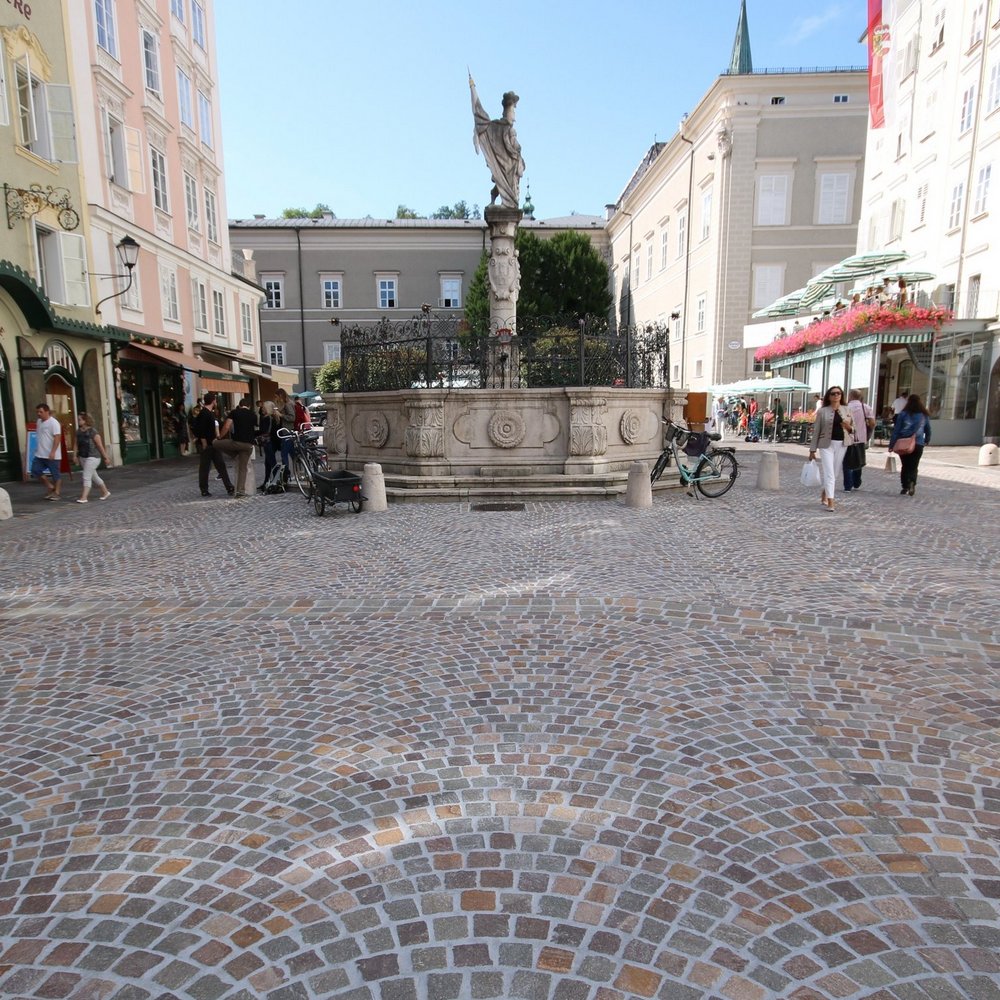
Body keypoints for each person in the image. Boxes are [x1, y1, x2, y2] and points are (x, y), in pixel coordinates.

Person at [470, 76, 525, 208]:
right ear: (508, 110)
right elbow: (510, 145)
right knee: (506, 176)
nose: (514, 115)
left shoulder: (504, 127)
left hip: (510, 165)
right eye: (513, 110)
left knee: (506, 177)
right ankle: (503, 199)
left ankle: (499, 199)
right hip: (509, 165)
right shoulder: (502, 128)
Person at [808, 386, 854, 512]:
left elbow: (853, 430)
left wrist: (848, 427)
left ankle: (825, 492)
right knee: (829, 472)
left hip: (842, 443)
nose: (836, 396)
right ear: (829, 396)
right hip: (826, 444)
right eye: (833, 394)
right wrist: (812, 450)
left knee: (835, 473)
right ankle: (831, 502)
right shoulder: (823, 411)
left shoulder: (847, 410)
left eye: (838, 393)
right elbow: (816, 431)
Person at [890, 393, 932, 496]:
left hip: (903, 443)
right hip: (918, 444)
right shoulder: (923, 416)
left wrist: (892, 444)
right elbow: (928, 429)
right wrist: (927, 439)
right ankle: (912, 482)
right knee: (914, 465)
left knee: (905, 465)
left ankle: (905, 486)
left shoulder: (903, 414)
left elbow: (897, 430)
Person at [193, 392, 234, 497]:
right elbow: (201, 430)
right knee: (205, 467)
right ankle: (204, 489)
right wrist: (204, 443)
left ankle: (229, 487)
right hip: (208, 444)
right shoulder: (204, 413)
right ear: (212, 401)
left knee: (220, 465)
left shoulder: (208, 413)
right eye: (215, 400)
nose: (216, 402)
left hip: (214, 443)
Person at [214, 396, 256, 497]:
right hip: (249, 445)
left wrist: (219, 437)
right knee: (243, 468)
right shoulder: (253, 415)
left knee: (215, 444)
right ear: (249, 406)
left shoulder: (234, 412)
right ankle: (240, 491)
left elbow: (227, 426)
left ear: (240, 405)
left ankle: (234, 455)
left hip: (237, 443)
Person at [73, 412, 111, 503]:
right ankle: (105, 492)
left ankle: (84, 497)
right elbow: (75, 444)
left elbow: (100, 446)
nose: (78, 421)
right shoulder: (78, 432)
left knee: (86, 476)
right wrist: (75, 456)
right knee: (94, 476)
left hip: (93, 457)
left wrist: (106, 457)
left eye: (80, 419)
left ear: (85, 420)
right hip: (83, 457)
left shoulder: (93, 432)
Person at [842, 389, 874, 493]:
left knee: (846, 461)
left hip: (847, 437)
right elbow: (872, 423)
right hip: (860, 437)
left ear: (850, 396)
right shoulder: (866, 408)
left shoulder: (845, 407)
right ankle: (856, 482)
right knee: (858, 459)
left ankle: (848, 486)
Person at [31, 403, 63, 501]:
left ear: (47, 412)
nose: (38, 414)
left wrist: (53, 451)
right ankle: (49, 486)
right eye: (37, 412)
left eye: (41, 412)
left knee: (55, 474)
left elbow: (57, 437)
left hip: (51, 454)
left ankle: (57, 492)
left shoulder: (53, 423)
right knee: (35, 470)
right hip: (40, 453)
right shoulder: (39, 422)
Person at [256, 400, 278, 491]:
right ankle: (267, 481)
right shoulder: (273, 418)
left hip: (268, 442)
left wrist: (254, 433)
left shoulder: (267, 418)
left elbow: (263, 431)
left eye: (264, 408)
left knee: (271, 463)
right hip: (271, 442)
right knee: (268, 463)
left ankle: (275, 481)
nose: (262, 409)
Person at [275, 388, 296, 476]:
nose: (276, 398)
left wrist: (281, 415)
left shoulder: (288, 404)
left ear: (280, 396)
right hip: (287, 431)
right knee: (292, 453)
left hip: (287, 432)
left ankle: (286, 474)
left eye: (276, 396)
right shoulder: (286, 404)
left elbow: (292, 418)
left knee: (284, 454)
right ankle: (297, 472)